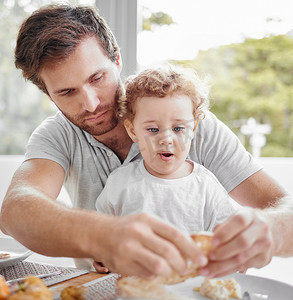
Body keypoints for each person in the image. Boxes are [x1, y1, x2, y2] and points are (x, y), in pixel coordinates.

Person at [0, 4, 291, 279]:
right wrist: (103, 237)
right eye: (66, 92)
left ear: (117, 59)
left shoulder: (186, 123)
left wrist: (271, 231)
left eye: (97, 77)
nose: (90, 104)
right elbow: (15, 210)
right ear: (48, 95)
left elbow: (283, 206)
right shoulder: (58, 135)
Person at [96, 65, 240, 237]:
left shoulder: (206, 186)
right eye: (153, 130)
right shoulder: (120, 183)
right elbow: (101, 234)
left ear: (193, 128)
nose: (166, 139)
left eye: (178, 128)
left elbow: (229, 239)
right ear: (133, 131)